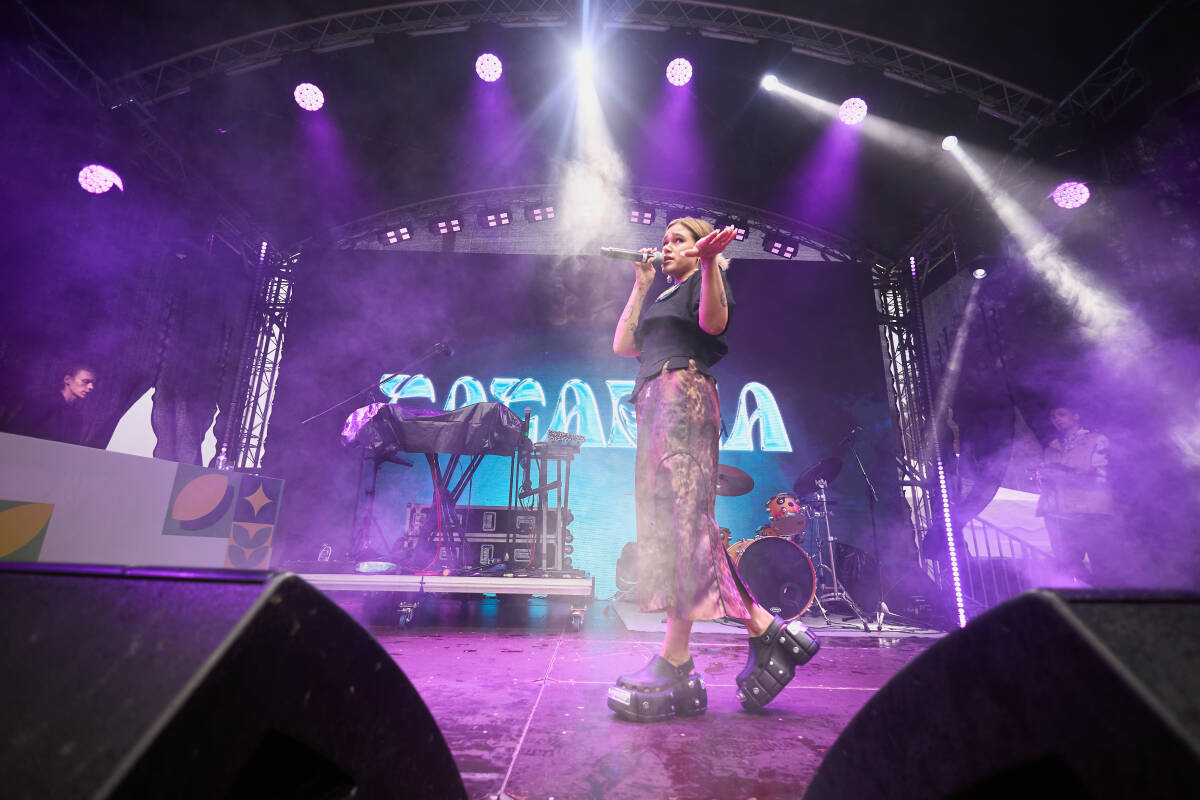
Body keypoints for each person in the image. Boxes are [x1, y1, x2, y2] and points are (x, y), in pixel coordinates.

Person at [605, 217, 819, 723]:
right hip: (654, 399)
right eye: (664, 241)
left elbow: (715, 324)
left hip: (684, 393)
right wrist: (641, 283)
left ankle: (686, 655)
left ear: (700, 246)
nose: (666, 246)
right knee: (669, 527)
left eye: (677, 240)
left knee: (685, 521)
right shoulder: (663, 293)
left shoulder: (705, 279)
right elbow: (624, 346)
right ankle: (760, 632)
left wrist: (707, 263)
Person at [1035, 405, 1117, 584]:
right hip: (1057, 513)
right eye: (1053, 417)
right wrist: (1042, 478)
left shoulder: (1096, 439)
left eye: (1061, 414)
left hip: (1091, 510)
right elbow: (1046, 483)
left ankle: (1105, 593)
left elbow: (1102, 476)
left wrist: (1063, 475)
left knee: (1102, 562)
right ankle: (1087, 591)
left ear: (1076, 416)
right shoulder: (1052, 447)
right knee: (1067, 563)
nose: (1057, 419)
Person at [7, 363, 98, 446]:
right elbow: (14, 431)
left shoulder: (77, 416)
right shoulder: (42, 402)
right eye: (85, 381)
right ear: (67, 379)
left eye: (92, 383)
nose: (91, 387)